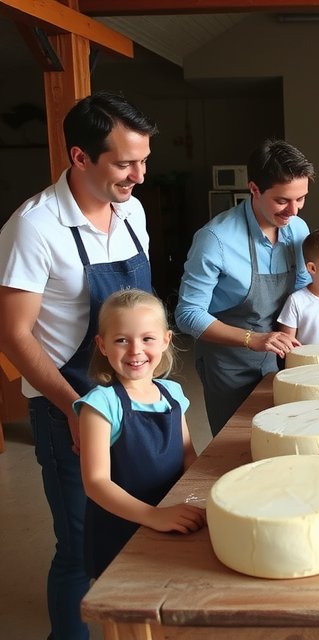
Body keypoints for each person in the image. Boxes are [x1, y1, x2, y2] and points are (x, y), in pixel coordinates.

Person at [0, 90, 157, 640]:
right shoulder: (34, 227)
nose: (138, 175)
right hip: (66, 401)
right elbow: (14, 334)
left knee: (139, 521)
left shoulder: (132, 211)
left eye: (143, 160)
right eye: (124, 163)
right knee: (80, 543)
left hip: (135, 395)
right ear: (81, 157)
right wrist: (75, 407)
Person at [175, 138, 314, 436]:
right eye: (282, 201)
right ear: (254, 189)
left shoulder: (298, 230)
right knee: (236, 443)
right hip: (228, 362)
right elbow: (187, 314)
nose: (294, 211)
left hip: (281, 353)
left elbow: (303, 288)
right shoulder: (216, 239)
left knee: (282, 439)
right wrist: (253, 339)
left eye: (301, 198)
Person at [75, 290, 204, 579]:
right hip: (122, 528)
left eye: (147, 338)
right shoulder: (99, 404)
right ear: (102, 345)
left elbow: (187, 454)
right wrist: (154, 516)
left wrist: (205, 496)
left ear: (166, 340)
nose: (135, 350)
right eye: (121, 340)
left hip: (173, 515)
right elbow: (95, 483)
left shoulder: (173, 393)